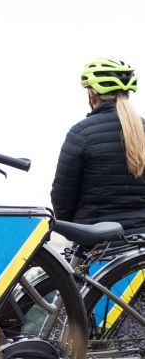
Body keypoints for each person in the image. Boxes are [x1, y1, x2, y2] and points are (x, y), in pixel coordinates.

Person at [51, 58, 145, 231]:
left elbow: (62, 200)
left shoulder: (81, 133)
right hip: (140, 246)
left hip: (97, 245)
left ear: (92, 92)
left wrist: (78, 230)